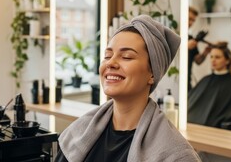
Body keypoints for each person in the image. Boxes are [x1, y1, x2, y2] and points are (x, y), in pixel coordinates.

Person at [55, 15, 200, 162]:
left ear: (152, 74)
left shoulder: (176, 155)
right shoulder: (78, 133)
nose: (111, 63)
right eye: (107, 55)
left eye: (126, 57)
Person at [188, 42, 231, 131]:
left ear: (227, 60)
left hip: (218, 133)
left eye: (217, 57)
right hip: (194, 128)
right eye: (211, 57)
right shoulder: (205, 80)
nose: (213, 60)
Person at [188, 6, 211, 91]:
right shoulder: (174, 34)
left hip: (187, 81)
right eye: (189, 19)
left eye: (193, 20)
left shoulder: (191, 38)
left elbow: (198, 61)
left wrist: (206, 52)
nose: (191, 23)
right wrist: (184, 47)